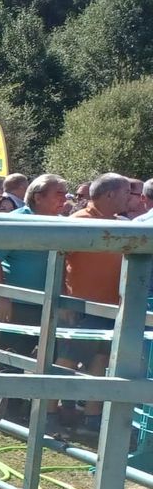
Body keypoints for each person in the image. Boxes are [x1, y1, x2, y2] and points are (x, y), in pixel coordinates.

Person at [58, 173, 140, 432]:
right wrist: (63, 302)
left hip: (112, 308)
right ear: (109, 194)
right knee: (67, 361)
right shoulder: (79, 222)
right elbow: (57, 261)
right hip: (81, 309)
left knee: (101, 362)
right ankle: (48, 413)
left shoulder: (123, 224)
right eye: (127, 192)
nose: (131, 197)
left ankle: (91, 417)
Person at [0, 173, 68, 365]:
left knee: (51, 360)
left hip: (49, 304)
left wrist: (63, 297)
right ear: (38, 197)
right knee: (12, 360)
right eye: (59, 194)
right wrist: (2, 297)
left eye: (66, 194)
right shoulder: (16, 221)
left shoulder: (62, 223)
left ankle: (37, 396)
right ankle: (8, 396)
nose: (64, 198)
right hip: (17, 305)